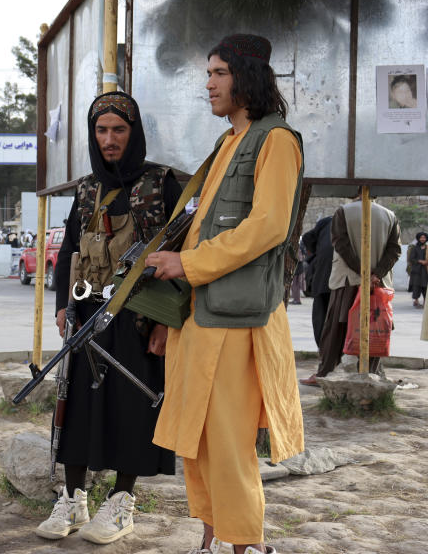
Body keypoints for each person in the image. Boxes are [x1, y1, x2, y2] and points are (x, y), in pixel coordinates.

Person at [146, 34, 305, 554]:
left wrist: (187, 265)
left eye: (218, 73)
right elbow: (199, 225)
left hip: (237, 320)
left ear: (246, 76)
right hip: (201, 314)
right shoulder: (228, 142)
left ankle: (248, 547)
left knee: (231, 444)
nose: (208, 84)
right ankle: (212, 541)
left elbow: (267, 227)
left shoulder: (276, 140)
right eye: (207, 74)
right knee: (200, 440)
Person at [34, 91, 179, 545]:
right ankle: (74, 497)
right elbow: (69, 252)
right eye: (101, 130)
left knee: (132, 407)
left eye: (118, 130)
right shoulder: (88, 188)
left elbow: (182, 256)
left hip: (140, 316)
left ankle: (121, 503)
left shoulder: (162, 185)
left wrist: (166, 321)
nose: (109, 139)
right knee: (76, 405)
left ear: (134, 133)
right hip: (88, 313)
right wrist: (63, 305)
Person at [302, 192, 401, 383]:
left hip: (347, 281)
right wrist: (375, 274)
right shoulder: (390, 215)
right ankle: (370, 375)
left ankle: (323, 374)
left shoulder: (343, 212)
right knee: (376, 328)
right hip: (378, 284)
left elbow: (340, 244)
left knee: (334, 330)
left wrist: (362, 273)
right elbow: (395, 250)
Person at [301, 215, 334, 350]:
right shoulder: (352, 222)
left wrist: (316, 254)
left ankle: (323, 349)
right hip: (340, 277)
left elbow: (307, 237)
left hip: (321, 276)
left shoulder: (326, 222)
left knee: (321, 313)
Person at [407, 231, 428, 308]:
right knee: (416, 286)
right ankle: (416, 301)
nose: (423, 239)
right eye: (421, 237)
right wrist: (420, 261)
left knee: (425, 286)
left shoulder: (427, 248)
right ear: (418, 238)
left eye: (424, 237)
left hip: (425, 271)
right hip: (416, 270)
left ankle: (425, 303)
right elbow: (411, 258)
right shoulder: (415, 248)